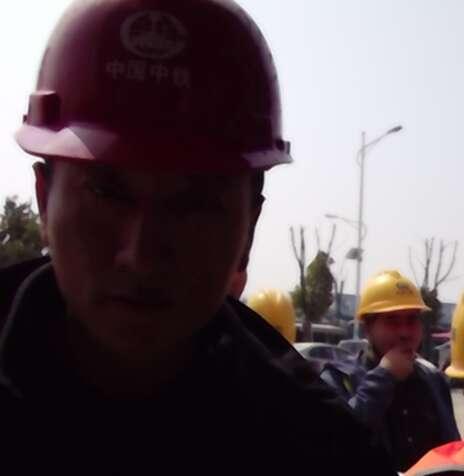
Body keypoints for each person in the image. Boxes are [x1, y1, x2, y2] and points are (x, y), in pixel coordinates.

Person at [1, 0, 397, 473]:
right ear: (45, 200)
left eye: (192, 204)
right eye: (107, 193)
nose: (141, 254)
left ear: (248, 229)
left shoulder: (322, 452)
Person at [321, 270, 460, 473]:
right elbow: (337, 445)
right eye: (392, 321)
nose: (404, 332)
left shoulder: (433, 379)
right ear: (368, 328)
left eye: (411, 320)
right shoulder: (339, 379)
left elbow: (452, 451)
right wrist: (383, 377)